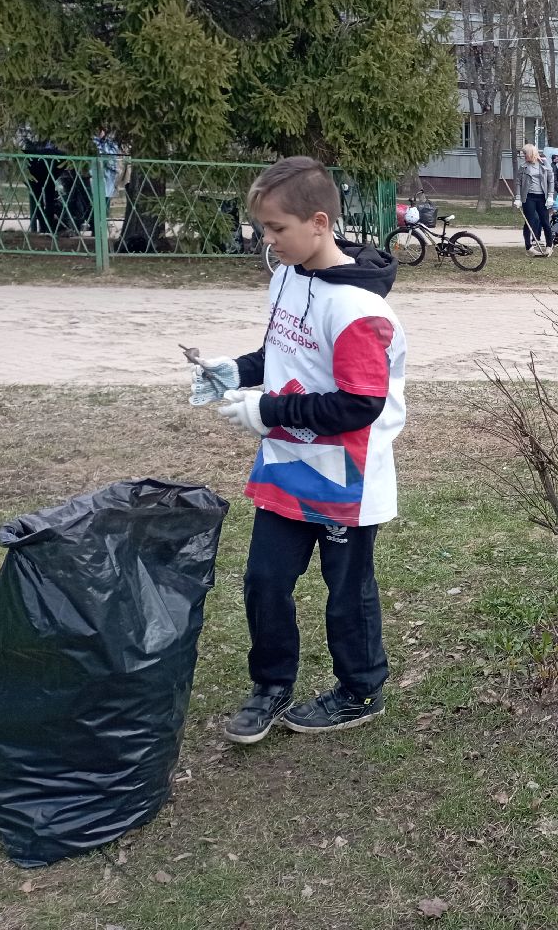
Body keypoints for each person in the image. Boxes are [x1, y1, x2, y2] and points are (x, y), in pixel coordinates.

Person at [186, 156, 407, 744]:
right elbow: (283, 355)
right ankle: (270, 685)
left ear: (318, 222)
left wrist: (267, 411)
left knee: (347, 591)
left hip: (346, 476)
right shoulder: (286, 274)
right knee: (263, 581)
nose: (268, 240)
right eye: (263, 228)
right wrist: (236, 370)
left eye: (277, 229)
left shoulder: (360, 311)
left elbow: (359, 403)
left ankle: (360, 689)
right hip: (286, 463)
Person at [515, 143, 555, 256]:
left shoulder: (544, 164)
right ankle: (529, 247)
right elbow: (519, 182)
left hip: (542, 197)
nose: (524, 156)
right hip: (528, 197)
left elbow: (551, 180)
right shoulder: (523, 166)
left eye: (525, 154)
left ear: (531, 153)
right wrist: (518, 198)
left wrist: (551, 195)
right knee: (529, 221)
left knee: (545, 222)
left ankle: (549, 246)